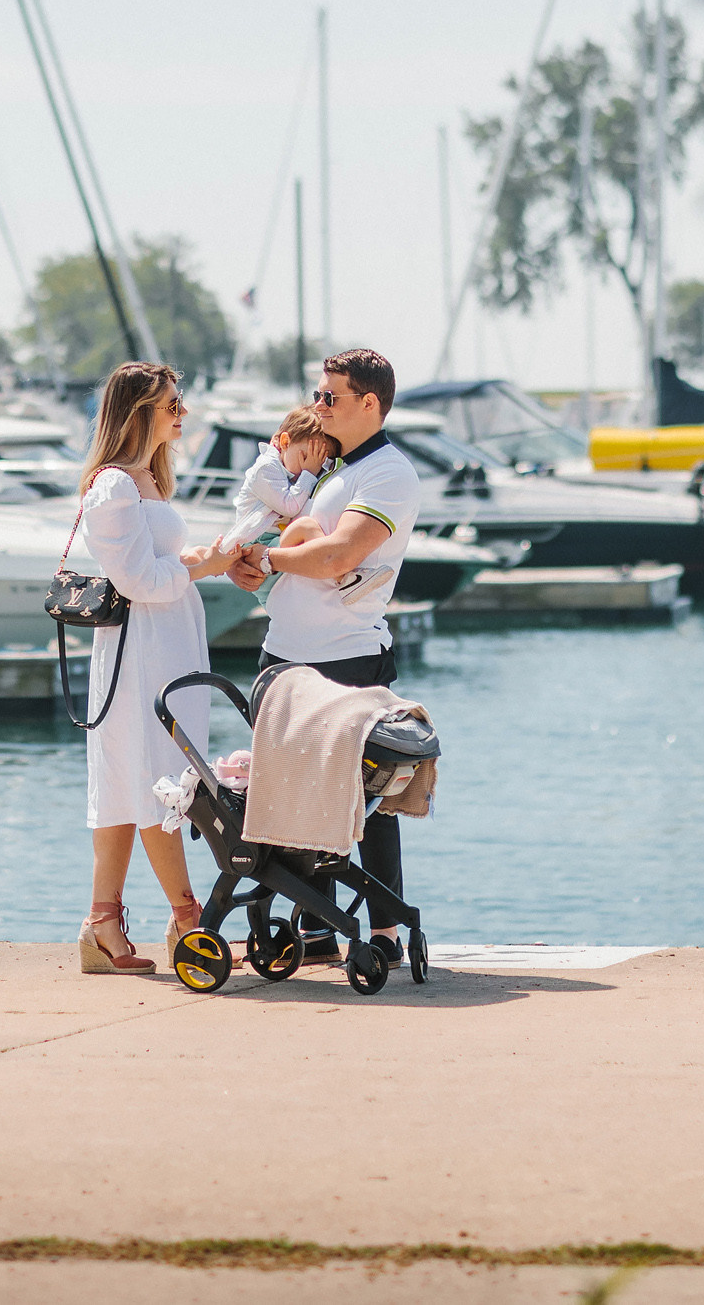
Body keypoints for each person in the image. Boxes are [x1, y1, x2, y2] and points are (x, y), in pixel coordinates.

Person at [228, 348, 421, 963]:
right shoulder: (329, 466)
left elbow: (340, 555)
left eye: (329, 397)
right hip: (283, 656)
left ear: (370, 403)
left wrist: (268, 558)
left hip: (346, 659)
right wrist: (253, 569)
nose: (317, 406)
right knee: (289, 792)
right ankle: (314, 930)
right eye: (317, 394)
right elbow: (293, 543)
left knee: (372, 799)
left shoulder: (389, 473)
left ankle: (386, 931)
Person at [73, 361, 245, 973]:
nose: (183, 413)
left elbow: (159, 561)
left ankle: (104, 923)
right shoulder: (115, 486)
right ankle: (188, 919)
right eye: (172, 404)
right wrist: (209, 563)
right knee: (157, 780)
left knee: (131, 780)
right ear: (139, 410)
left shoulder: (146, 479)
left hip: (163, 642)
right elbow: (139, 579)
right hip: (140, 650)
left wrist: (210, 558)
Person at [214, 405, 337, 556]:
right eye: (306, 457)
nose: (314, 467)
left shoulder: (291, 470)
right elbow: (288, 507)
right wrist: (309, 473)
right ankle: (338, 571)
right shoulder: (266, 468)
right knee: (306, 528)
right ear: (285, 442)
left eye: (320, 464)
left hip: (274, 538)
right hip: (257, 540)